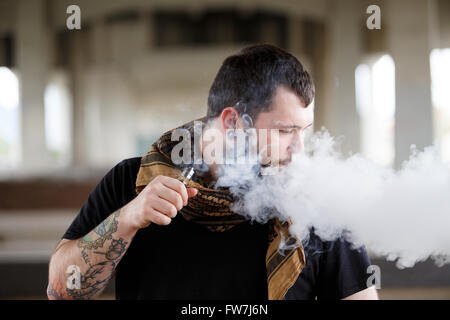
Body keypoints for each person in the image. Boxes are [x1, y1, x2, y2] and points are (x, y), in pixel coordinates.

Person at [47, 44, 378, 300]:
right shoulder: (130, 181)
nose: (299, 151)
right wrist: (128, 218)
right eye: (283, 132)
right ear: (233, 122)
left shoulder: (317, 200)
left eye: (303, 130)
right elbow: (62, 290)